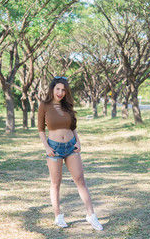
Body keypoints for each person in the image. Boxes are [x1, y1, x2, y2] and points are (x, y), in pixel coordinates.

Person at [38, 76, 103, 231]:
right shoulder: (44, 105)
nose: (60, 92)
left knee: (80, 180)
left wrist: (78, 142)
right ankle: (58, 216)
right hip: (54, 148)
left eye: (63, 90)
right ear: (52, 89)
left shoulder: (68, 106)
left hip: (71, 147)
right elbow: (41, 129)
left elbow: (73, 127)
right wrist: (47, 147)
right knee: (56, 182)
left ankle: (91, 215)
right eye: (58, 89)